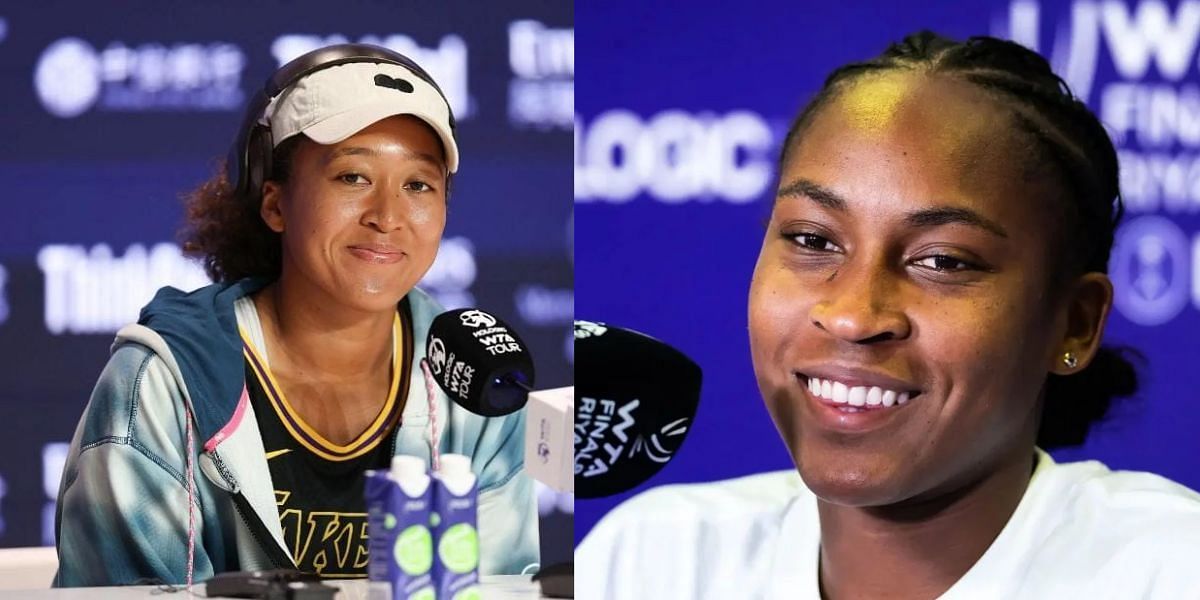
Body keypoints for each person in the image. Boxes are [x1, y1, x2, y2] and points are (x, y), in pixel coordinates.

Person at [576, 31, 1200, 599]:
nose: (851, 315)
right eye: (814, 241)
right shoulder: (653, 561)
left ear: (1075, 323)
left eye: (945, 261)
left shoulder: (1171, 570)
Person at [53, 44, 539, 587]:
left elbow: (502, 588)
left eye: (418, 185)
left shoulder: (473, 384)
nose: (387, 216)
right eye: (352, 177)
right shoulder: (164, 384)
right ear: (275, 204)